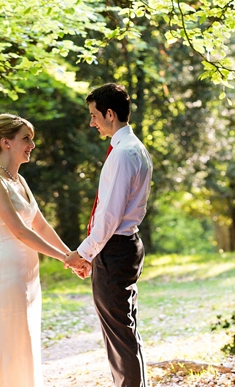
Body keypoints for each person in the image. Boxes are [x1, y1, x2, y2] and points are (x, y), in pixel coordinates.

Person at [0, 114, 71, 387]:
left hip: (29, 273)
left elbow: (41, 226)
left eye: (31, 138)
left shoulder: (19, 181)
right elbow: (20, 231)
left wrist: (72, 255)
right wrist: (65, 258)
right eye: (26, 138)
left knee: (26, 338)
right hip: (8, 273)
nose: (32, 144)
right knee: (9, 339)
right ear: (6, 142)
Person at [64, 83, 153, 387]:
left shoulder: (123, 154)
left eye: (94, 115)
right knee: (123, 329)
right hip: (122, 245)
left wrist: (84, 252)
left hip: (115, 248)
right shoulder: (133, 148)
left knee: (119, 333)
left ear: (110, 114)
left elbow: (109, 215)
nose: (92, 122)